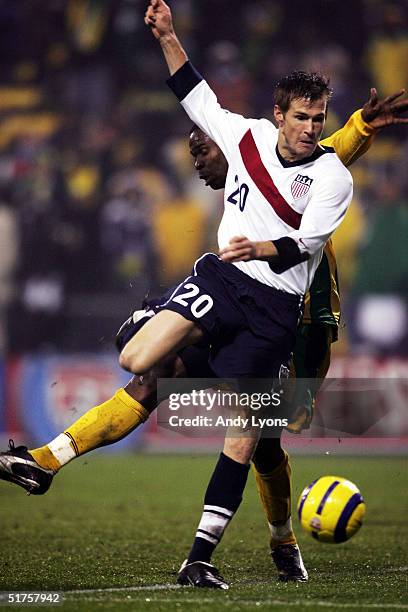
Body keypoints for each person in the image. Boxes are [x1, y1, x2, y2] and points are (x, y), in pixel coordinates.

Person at [1, 0, 407, 587]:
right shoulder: (244, 138)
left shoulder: (316, 168)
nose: (198, 158)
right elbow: (197, 94)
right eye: (195, 148)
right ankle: (45, 460)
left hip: (298, 324)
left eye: (202, 150)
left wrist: (363, 127)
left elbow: (327, 159)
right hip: (225, 289)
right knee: (147, 371)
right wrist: (166, 34)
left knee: (265, 437)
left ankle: (282, 540)